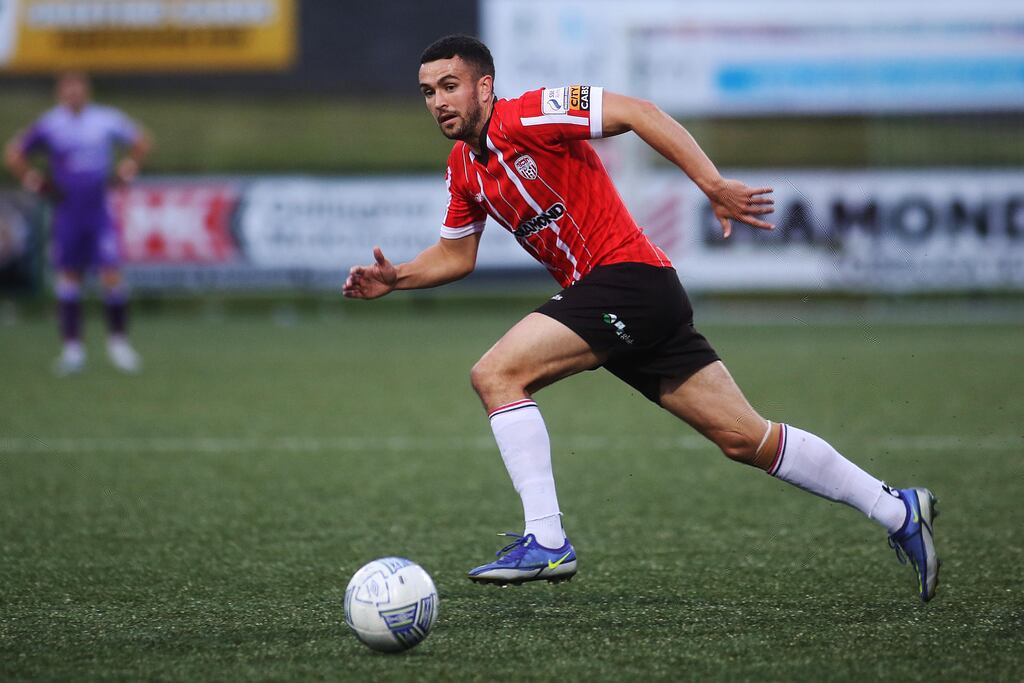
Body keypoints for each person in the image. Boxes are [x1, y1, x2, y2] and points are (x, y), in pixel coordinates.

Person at [343, 35, 940, 601]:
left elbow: (639, 112)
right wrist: (398, 277)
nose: (440, 102)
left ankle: (547, 540)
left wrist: (711, 184)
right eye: (428, 92)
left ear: (485, 87)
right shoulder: (464, 168)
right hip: (625, 298)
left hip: (628, 280)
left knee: (496, 374)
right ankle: (896, 509)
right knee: (744, 438)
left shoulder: (529, 114)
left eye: (450, 86)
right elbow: (455, 255)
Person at [4, 71, 151, 375]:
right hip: (68, 211)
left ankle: (119, 345)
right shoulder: (51, 124)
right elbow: (14, 153)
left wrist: (127, 169)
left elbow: (142, 141)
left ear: (87, 91)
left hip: (99, 210)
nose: (73, 95)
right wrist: (35, 181)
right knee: (69, 278)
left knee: (111, 275)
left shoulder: (105, 119)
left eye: (78, 89)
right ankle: (73, 350)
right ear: (60, 94)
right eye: (68, 91)